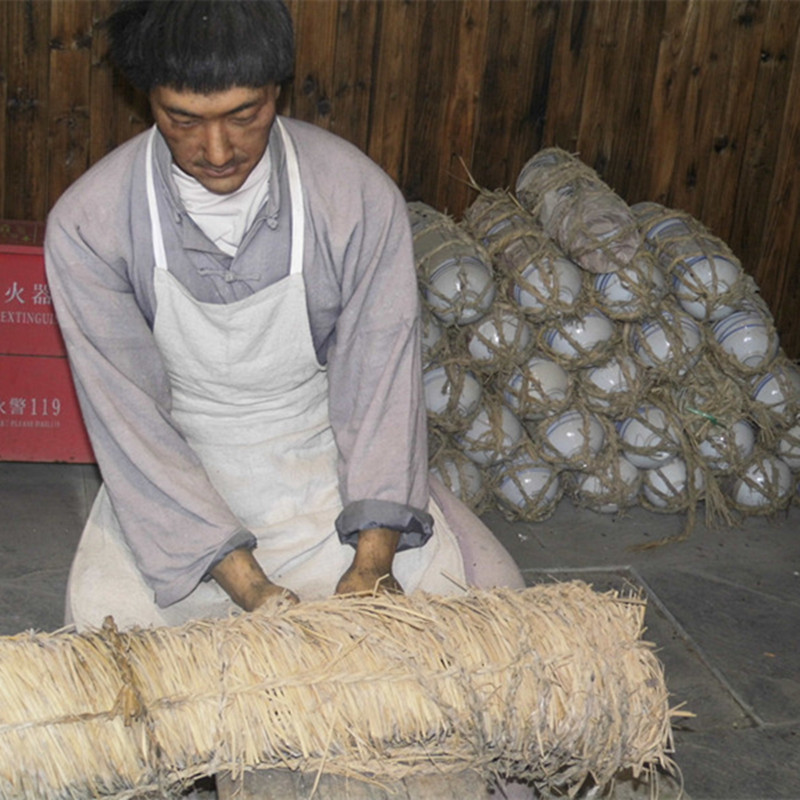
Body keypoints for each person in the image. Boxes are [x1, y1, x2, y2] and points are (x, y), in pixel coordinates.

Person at [45, 0, 525, 632]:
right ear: (147, 101)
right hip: (179, 472)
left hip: (324, 453)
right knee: (110, 637)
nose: (216, 149)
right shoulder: (91, 224)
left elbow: (380, 389)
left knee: (496, 609)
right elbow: (130, 423)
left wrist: (372, 564)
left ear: (277, 91)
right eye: (181, 119)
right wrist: (253, 589)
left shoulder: (352, 197)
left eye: (244, 116)